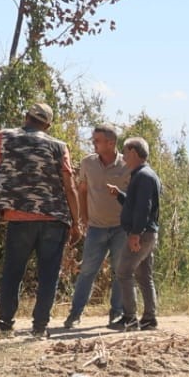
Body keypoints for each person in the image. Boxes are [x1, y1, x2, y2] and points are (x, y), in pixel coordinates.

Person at [0, 102, 82, 336]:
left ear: (26, 116)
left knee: (13, 272)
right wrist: (76, 222)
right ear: (48, 125)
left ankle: (5, 325)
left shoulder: (4, 137)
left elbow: (1, 166)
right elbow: (70, 186)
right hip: (54, 218)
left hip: (18, 217)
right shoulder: (58, 146)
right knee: (48, 274)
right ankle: (39, 328)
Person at [63, 125, 130, 329]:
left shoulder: (127, 164)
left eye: (97, 140)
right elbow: (82, 190)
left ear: (111, 143)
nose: (93, 143)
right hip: (96, 227)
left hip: (121, 228)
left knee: (120, 272)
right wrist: (83, 217)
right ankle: (75, 315)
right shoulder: (88, 163)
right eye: (93, 140)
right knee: (87, 271)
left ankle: (116, 315)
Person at [111, 137, 160, 331]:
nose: (122, 155)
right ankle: (149, 319)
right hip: (146, 232)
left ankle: (130, 318)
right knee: (143, 275)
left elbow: (143, 209)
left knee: (124, 271)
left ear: (133, 152)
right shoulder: (144, 175)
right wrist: (119, 195)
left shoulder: (143, 176)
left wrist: (135, 234)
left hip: (142, 233)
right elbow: (136, 204)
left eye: (125, 151)